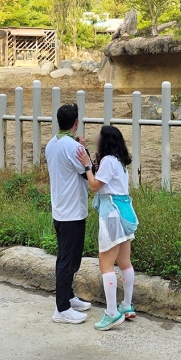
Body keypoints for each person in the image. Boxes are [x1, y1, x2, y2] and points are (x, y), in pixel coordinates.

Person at [79, 125, 138, 331]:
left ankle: (111, 313)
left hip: (111, 214)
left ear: (106, 142)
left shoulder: (107, 161)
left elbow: (95, 186)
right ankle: (127, 305)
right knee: (124, 262)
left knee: (105, 264)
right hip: (125, 212)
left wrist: (87, 167)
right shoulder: (120, 162)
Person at [44, 103, 93, 324]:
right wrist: (84, 148)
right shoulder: (73, 147)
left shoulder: (52, 144)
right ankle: (61, 309)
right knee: (68, 261)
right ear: (76, 123)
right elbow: (87, 172)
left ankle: (68, 296)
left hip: (60, 209)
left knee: (66, 258)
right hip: (72, 212)